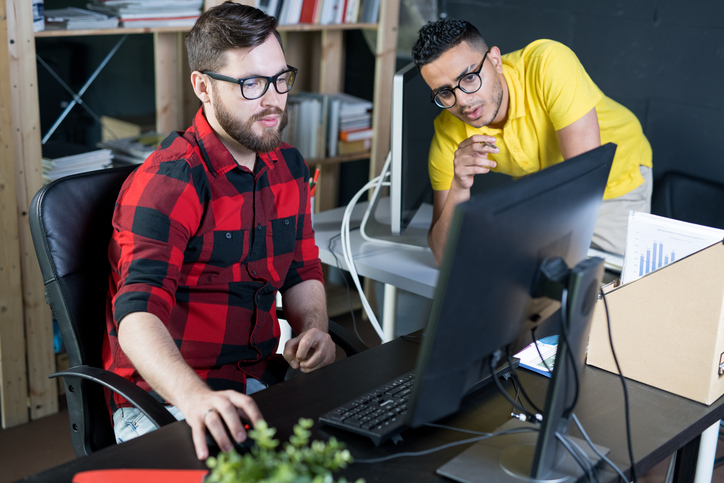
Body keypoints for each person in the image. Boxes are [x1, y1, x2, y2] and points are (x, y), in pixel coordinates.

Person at [103, 2, 336, 460]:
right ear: (203, 87)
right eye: (250, 84)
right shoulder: (170, 181)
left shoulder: (289, 167)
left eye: (279, 79)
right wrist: (195, 399)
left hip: (259, 381)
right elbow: (136, 316)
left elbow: (302, 271)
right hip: (168, 397)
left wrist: (315, 330)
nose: (273, 99)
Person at [411, 19, 653, 265]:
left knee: (615, 289)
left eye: (470, 77)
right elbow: (442, 256)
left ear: (495, 60)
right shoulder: (448, 133)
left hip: (614, 181)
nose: (462, 101)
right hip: (546, 188)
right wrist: (460, 187)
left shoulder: (548, 63)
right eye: (444, 92)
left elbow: (584, 186)